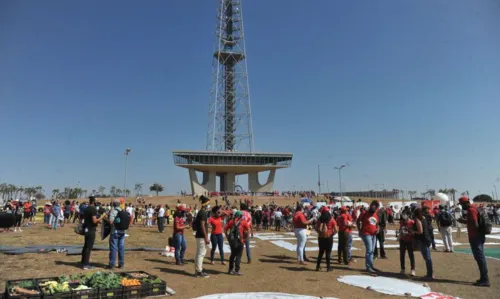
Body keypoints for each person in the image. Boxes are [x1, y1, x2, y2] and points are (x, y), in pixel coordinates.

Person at [458, 196, 490, 287]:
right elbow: (473, 222)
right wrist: (465, 221)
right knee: (480, 257)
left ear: (465, 203)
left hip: (475, 237)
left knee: (480, 258)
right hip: (479, 236)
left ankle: (485, 279)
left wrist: (466, 223)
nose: (462, 207)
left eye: (461, 204)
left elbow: (475, 224)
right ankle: (483, 277)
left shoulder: (471, 210)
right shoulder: (475, 208)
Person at [81, 196, 106, 270]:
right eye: (96, 201)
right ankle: (86, 265)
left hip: (86, 229)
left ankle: (83, 261)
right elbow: (94, 221)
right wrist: (102, 216)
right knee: (89, 247)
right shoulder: (93, 209)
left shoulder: (87, 208)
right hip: (91, 229)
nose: (97, 202)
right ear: (93, 201)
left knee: (86, 246)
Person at [357, 200, 380, 273]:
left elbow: (377, 224)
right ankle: (368, 267)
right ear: (371, 206)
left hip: (374, 235)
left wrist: (378, 229)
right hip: (366, 234)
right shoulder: (364, 213)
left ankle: (371, 265)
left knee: (372, 251)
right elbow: (358, 221)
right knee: (369, 250)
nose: (374, 207)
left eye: (376, 206)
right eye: (373, 205)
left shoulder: (376, 215)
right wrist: (359, 230)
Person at [225, 211, 250, 275]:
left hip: (232, 241)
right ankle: (237, 270)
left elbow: (225, 229)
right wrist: (246, 239)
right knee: (238, 256)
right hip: (240, 240)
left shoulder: (231, 221)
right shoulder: (243, 222)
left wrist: (227, 237)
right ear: (241, 216)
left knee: (232, 255)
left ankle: (230, 270)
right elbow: (248, 230)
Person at [108, 198, 129, 269]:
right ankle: (121, 264)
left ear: (113, 204)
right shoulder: (122, 211)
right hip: (123, 232)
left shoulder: (113, 211)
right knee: (121, 248)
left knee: (113, 248)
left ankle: (112, 264)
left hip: (115, 232)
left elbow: (111, 222)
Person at [413, 208, 433, 280]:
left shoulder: (418, 220)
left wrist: (413, 231)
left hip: (423, 240)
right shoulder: (424, 218)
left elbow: (420, 231)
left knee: (427, 258)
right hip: (427, 239)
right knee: (428, 257)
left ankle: (429, 274)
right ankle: (429, 273)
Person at [315, 206, 337, 271]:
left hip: (321, 237)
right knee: (328, 252)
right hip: (329, 237)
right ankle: (328, 267)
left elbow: (316, 228)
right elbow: (336, 230)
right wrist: (332, 234)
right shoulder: (332, 220)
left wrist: (320, 233)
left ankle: (317, 266)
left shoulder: (319, 219)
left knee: (320, 252)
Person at [194, 196, 210, 278]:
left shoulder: (201, 212)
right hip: (201, 236)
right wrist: (206, 237)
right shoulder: (203, 213)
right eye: (208, 203)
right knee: (201, 253)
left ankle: (198, 269)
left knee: (198, 253)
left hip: (199, 235)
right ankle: (199, 271)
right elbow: (202, 225)